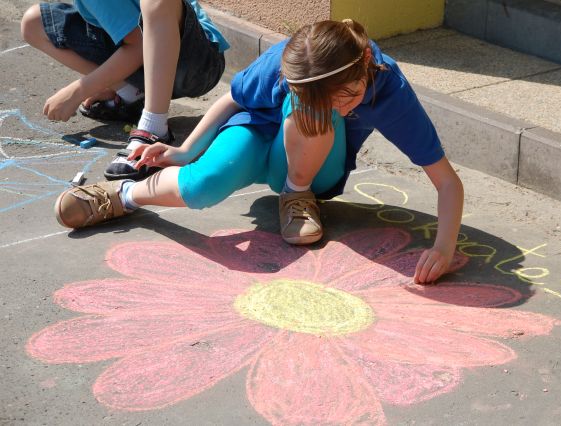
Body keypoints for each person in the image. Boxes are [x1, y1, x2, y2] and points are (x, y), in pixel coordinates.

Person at [53, 19, 464, 284]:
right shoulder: (291, 59)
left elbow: (447, 182)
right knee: (204, 186)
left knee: (314, 111)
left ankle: (296, 195)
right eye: (335, 101)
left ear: (365, 67)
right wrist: (185, 151)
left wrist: (444, 249)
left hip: (314, 170)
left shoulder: (389, 88)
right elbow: (233, 100)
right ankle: (122, 196)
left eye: (346, 98)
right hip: (259, 132)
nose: (341, 109)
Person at [20, 0, 229, 180]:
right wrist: (101, 82)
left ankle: (154, 128)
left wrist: (79, 90)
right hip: (150, 59)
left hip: (196, 66)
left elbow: (138, 45)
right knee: (34, 23)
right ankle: (130, 93)